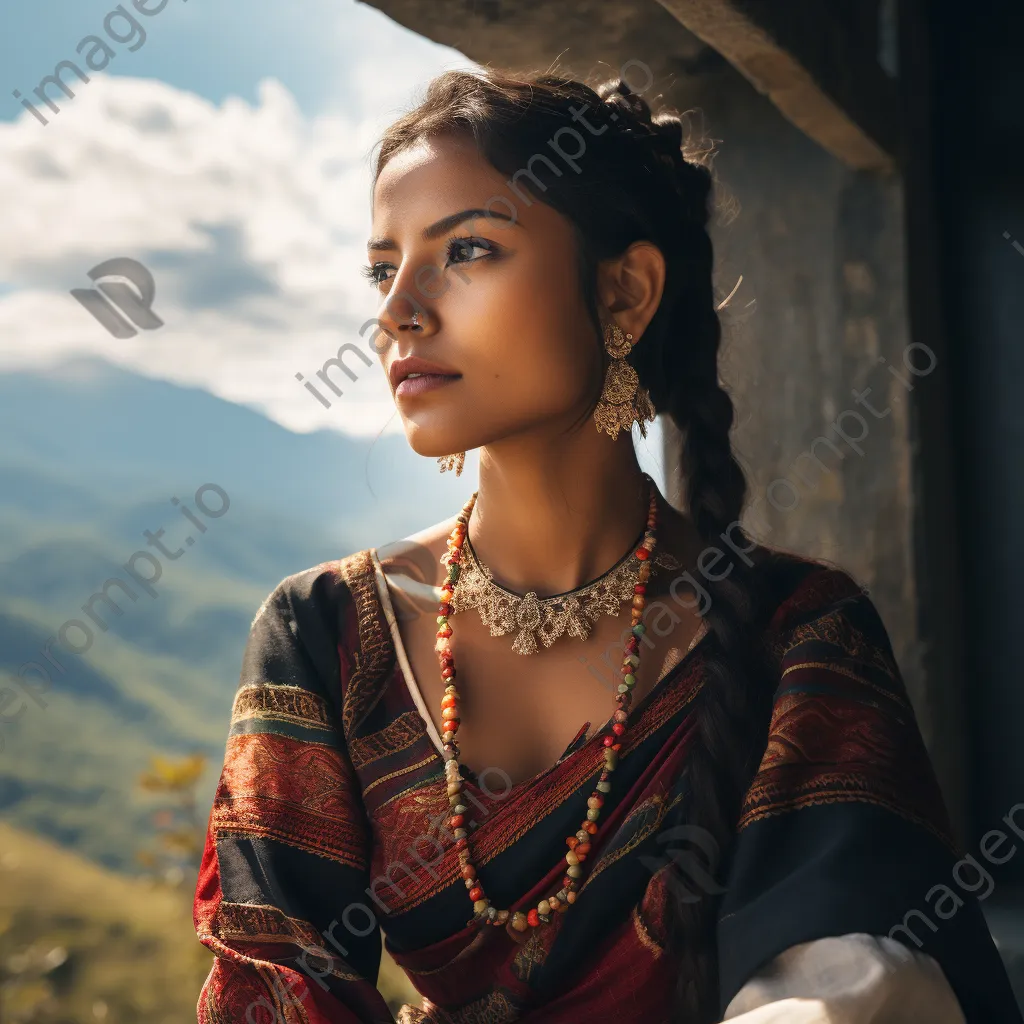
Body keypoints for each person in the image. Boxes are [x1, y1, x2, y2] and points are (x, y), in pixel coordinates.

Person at [192, 68, 1022, 1023]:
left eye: (466, 249)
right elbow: (273, 983)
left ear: (625, 292)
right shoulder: (327, 636)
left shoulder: (798, 635)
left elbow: (859, 988)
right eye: (384, 269)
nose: (397, 313)